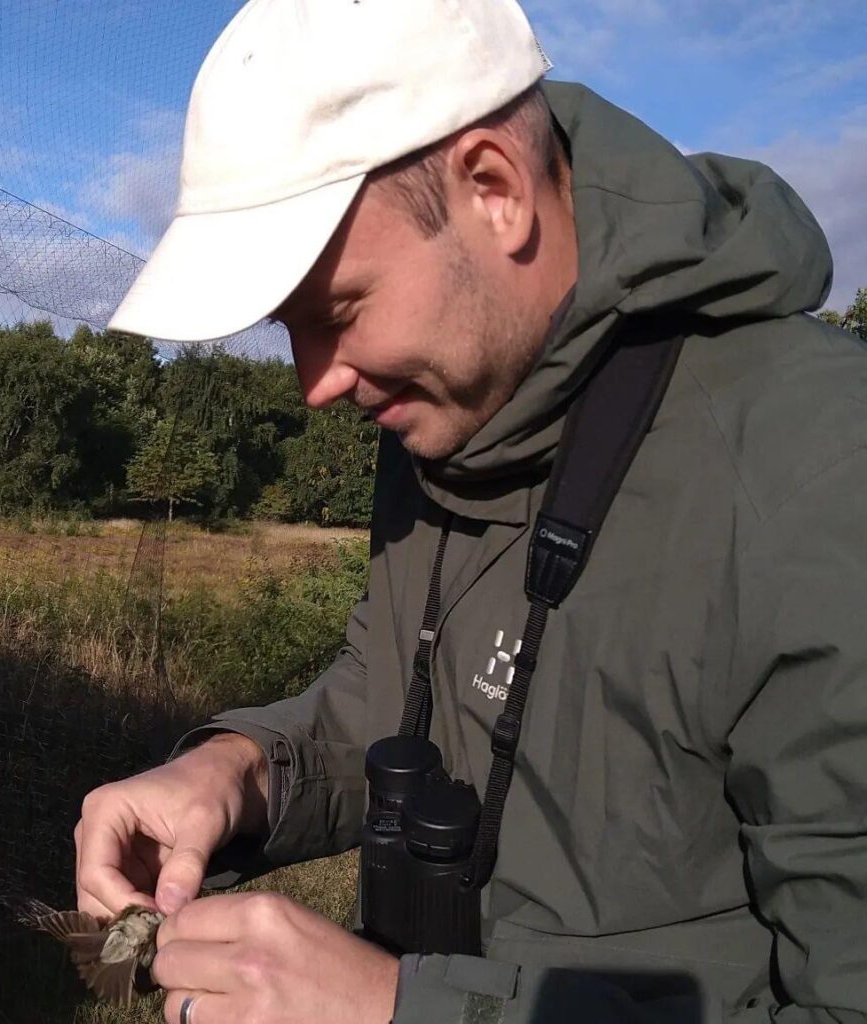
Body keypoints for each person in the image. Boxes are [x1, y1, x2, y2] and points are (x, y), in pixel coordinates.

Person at [79, 1, 867, 1021]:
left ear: (493, 189)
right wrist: (236, 774)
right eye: (290, 330)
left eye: (338, 312)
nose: (315, 382)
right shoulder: (446, 412)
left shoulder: (813, 464)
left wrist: (400, 1010)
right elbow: (396, 697)